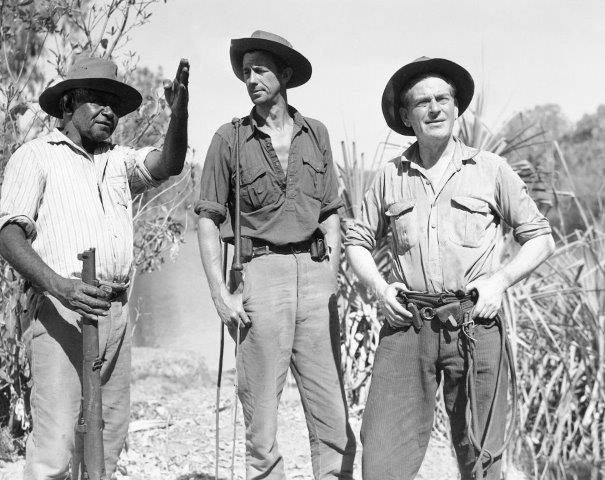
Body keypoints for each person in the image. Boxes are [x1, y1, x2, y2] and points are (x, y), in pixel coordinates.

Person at [345, 56, 555, 480]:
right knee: (381, 461)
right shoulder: (389, 176)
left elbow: (541, 240)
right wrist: (381, 289)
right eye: (422, 102)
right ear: (406, 115)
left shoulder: (491, 170)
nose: (435, 108)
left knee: (481, 458)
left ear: (457, 107)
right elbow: (357, 242)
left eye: (443, 98)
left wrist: (499, 282)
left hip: (474, 323)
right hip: (407, 324)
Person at [0, 55, 189, 479]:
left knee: (106, 440)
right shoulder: (36, 156)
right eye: (98, 100)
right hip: (61, 310)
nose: (109, 111)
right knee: (55, 447)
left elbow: (168, 164)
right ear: (68, 104)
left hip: (114, 311)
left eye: (115, 105)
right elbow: (8, 235)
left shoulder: (118, 160)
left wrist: (179, 114)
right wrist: (60, 286)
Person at [196, 30, 356, 480]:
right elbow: (207, 219)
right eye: (246, 72)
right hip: (260, 274)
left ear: (285, 74)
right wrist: (220, 295)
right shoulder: (229, 138)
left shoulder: (316, 133)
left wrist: (331, 275)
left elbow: (331, 213)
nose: (251, 79)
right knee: (261, 416)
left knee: (332, 413)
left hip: (316, 274)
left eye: (261, 70)